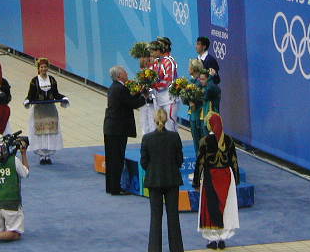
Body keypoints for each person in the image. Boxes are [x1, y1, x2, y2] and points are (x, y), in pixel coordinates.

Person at [193, 113, 240, 250]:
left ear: (209, 125)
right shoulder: (229, 140)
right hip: (226, 177)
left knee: (210, 207)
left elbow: (200, 163)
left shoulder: (205, 141)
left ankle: (212, 239)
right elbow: (235, 162)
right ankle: (222, 239)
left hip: (210, 177)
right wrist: (236, 179)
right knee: (226, 207)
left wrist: (196, 181)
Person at [140, 109, 185, 252]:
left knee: (155, 218)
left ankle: (154, 249)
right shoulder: (174, 137)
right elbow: (179, 160)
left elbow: (143, 162)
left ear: (154, 120)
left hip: (154, 181)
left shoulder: (147, 138)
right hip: (172, 181)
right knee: (173, 218)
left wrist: (153, 170)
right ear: (167, 120)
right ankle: (177, 249)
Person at [103, 65, 146, 195]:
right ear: (119, 76)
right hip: (117, 130)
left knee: (111, 159)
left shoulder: (114, 87)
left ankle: (111, 187)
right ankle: (115, 189)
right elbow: (132, 103)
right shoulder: (120, 89)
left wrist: (138, 92)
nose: (127, 74)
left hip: (111, 128)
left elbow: (128, 99)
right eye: (125, 72)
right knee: (117, 159)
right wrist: (144, 97)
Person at [24, 58, 69, 165]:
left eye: (45, 67)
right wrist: (27, 101)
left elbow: (56, 94)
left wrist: (64, 98)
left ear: (47, 68)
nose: (43, 69)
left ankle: (47, 155)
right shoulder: (34, 81)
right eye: (41, 67)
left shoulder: (52, 80)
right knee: (40, 132)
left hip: (50, 110)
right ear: (38, 68)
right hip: (39, 112)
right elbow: (30, 95)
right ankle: (41, 156)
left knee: (50, 131)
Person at [151, 37, 178, 132]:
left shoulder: (169, 61)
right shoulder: (156, 61)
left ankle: (175, 146)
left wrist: (153, 85)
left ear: (165, 46)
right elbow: (151, 77)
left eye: (159, 44)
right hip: (158, 98)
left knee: (170, 124)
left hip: (169, 99)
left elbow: (168, 81)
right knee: (158, 123)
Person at [186, 59, 205, 155]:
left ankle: (203, 164)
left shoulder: (201, 82)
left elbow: (201, 98)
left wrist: (192, 100)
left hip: (199, 115)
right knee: (195, 141)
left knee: (201, 140)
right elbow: (186, 99)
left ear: (194, 69)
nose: (188, 68)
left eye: (190, 67)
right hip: (192, 114)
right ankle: (199, 165)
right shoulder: (190, 81)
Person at [198, 69, 221, 138]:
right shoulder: (204, 87)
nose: (201, 81)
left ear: (208, 79)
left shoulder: (213, 88)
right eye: (200, 79)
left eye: (203, 79)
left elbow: (208, 92)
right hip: (203, 118)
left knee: (212, 142)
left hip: (212, 120)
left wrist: (210, 76)